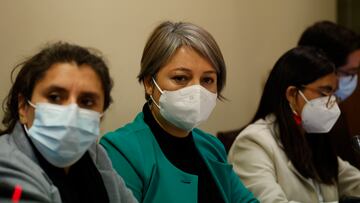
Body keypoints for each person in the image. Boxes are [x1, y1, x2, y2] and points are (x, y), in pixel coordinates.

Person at [100, 21, 258, 203]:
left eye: (207, 79)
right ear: (149, 84)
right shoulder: (122, 150)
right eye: (180, 78)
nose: (196, 91)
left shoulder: (212, 146)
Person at [0, 42, 137, 203]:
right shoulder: (7, 167)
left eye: (86, 101)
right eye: (55, 97)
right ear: (23, 107)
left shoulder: (94, 154)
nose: (72, 113)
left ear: (100, 116)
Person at [228, 46, 360, 203]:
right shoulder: (253, 142)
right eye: (324, 92)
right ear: (292, 94)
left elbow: (354, 182)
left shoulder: (312, 138)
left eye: (333, 94)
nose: (331, 102)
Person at [298, 21, 360, 169]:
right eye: (349, 73)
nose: (353, 79)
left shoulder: (327, 124)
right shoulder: (258, 140)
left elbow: (343, 175)